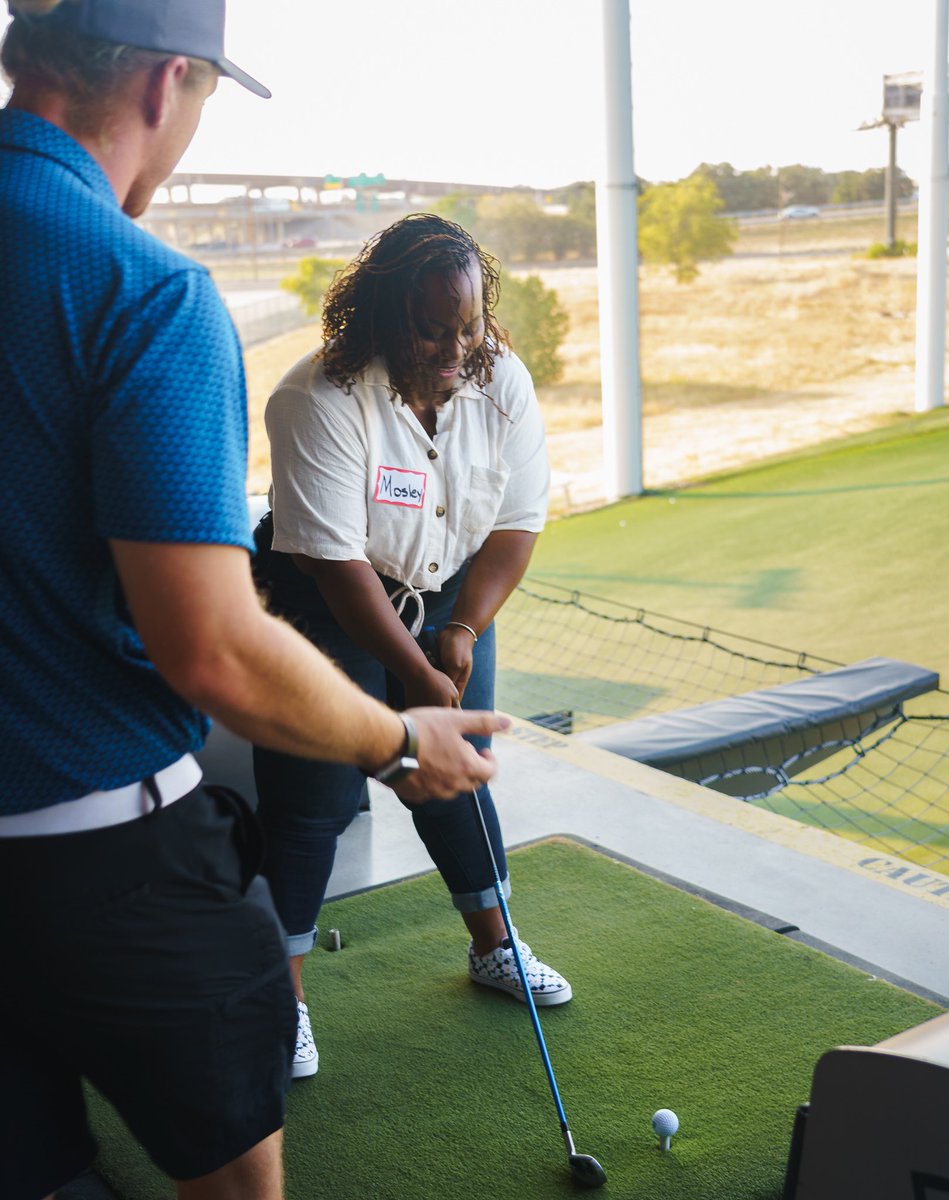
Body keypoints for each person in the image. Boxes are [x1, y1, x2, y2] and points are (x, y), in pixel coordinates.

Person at [0, 6, 506, 1200]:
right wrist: (400, 742)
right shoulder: (143, 291)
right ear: (168, 83)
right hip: (103, 864)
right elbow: (215, 652)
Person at [253, 212, 573, 1081]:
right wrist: (416, 673)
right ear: (381, 318)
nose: (455, 349)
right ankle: (283, 1000)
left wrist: (460, 631)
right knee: (311, 804)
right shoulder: (317, 397)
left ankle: (493, 946)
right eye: (431, 330)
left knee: (455, 773)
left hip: (450, 596)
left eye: (468, 326)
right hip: (328, 605)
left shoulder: (500, 378)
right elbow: (338, 568)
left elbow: (516, 523)